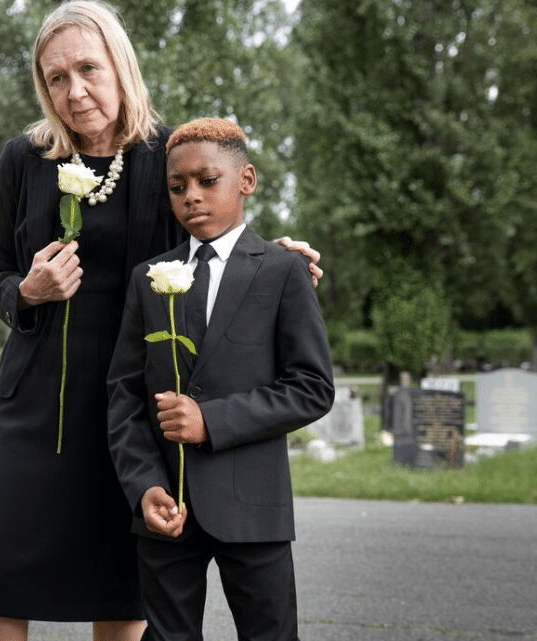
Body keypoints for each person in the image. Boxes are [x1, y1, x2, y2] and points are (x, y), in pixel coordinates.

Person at [0, 3, 322, 640]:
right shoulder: (24, 159)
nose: (74, 91)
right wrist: (25, 292)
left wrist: (275, 261)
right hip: (36, 409)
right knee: (0, 590)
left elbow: (212, 225)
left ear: (120, 66)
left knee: (125, 597)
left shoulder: (163, 156)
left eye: (88, 69)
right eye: (56, 78)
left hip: (135, 407)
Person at [107, 117, 335, 641]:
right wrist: (144, 487)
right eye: (177, 186)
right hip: (167, 508)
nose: (192, 196)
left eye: (207, 181)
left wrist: (209, 420)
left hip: (254, 507)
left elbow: (312, 386)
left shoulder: (283, 270)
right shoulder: (149, 280)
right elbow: (124, 396)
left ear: (246, 180)